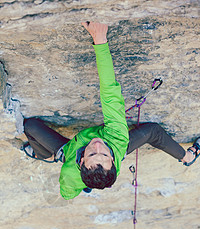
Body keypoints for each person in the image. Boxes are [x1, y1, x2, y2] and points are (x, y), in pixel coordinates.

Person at [23, 22, 200, 200]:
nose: (98, 144)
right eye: (104, 154)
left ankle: (46, 156)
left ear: (82, 161)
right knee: (153, 131)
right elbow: (109, 92)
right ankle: (187, 156)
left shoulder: (69, 174)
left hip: (68, 152)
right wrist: (100, 40)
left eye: (92, 153)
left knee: (30, 126)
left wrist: (83, 182)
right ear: (113, 160)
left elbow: (67, 195)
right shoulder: (117, 138)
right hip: (116, 144)